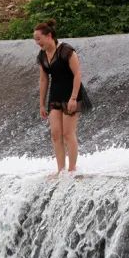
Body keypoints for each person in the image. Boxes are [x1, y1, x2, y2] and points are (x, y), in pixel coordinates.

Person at [35, 19, 90, 175]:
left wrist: (73, 98)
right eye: (35, 40)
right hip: (55, 96)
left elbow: (77, 74)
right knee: (55, 134)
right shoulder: (42, 55)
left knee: (68, 133)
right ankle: (61, 170)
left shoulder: (66, 50)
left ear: (49, 36)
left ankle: (72, 169)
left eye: (39, 39)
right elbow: (44, 80)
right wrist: (41, 104)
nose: (37, 42)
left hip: (71, 94)